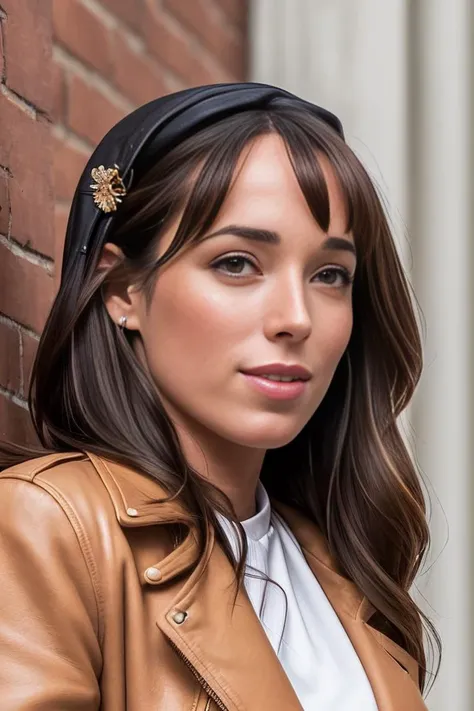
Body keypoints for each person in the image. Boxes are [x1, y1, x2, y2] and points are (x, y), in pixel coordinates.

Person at [0, 82, 440, 710]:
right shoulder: (48, 528)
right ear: (124, 290)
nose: (296, 317)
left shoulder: (344, 574)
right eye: (237, 264)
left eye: (330, 274)